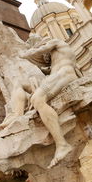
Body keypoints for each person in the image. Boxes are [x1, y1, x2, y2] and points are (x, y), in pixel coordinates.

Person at [20, 37, 78, 168]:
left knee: (37, 99)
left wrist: (23, 54)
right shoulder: (57, 59)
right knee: (35, 100)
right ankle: (61, 144)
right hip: (62, 74)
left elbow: (41, 49)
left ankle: (62, 145)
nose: (46, 58)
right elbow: (48, 70)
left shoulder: (56, 42)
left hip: (65, 73)